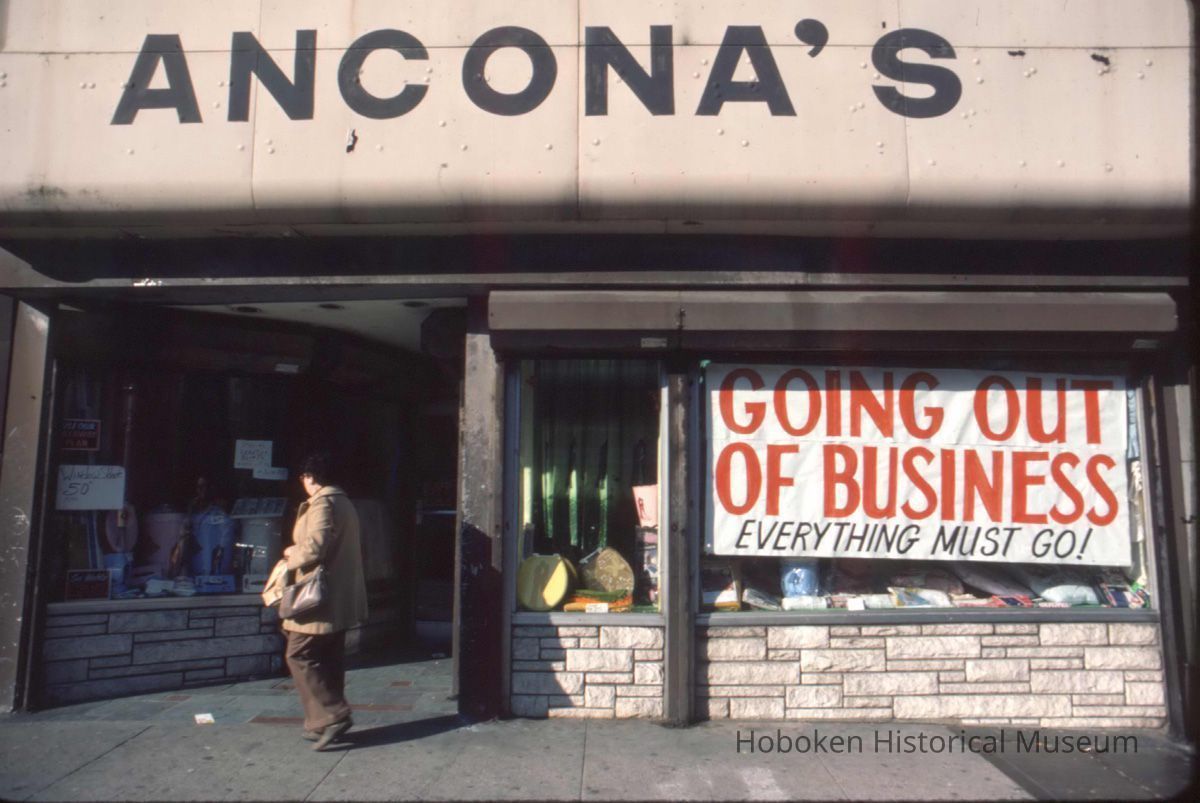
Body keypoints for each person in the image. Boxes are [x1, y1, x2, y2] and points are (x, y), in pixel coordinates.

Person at [281, 451, 368, 751]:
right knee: (329, 659)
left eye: (303, 477)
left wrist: (291, 555)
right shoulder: (344, 502)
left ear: (310, 477)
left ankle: (332, 715)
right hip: (338, 595)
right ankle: (320, 722)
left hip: (319, 597)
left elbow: (315, 547)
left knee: (298, 653)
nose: (302, 482)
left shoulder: (323, 504)